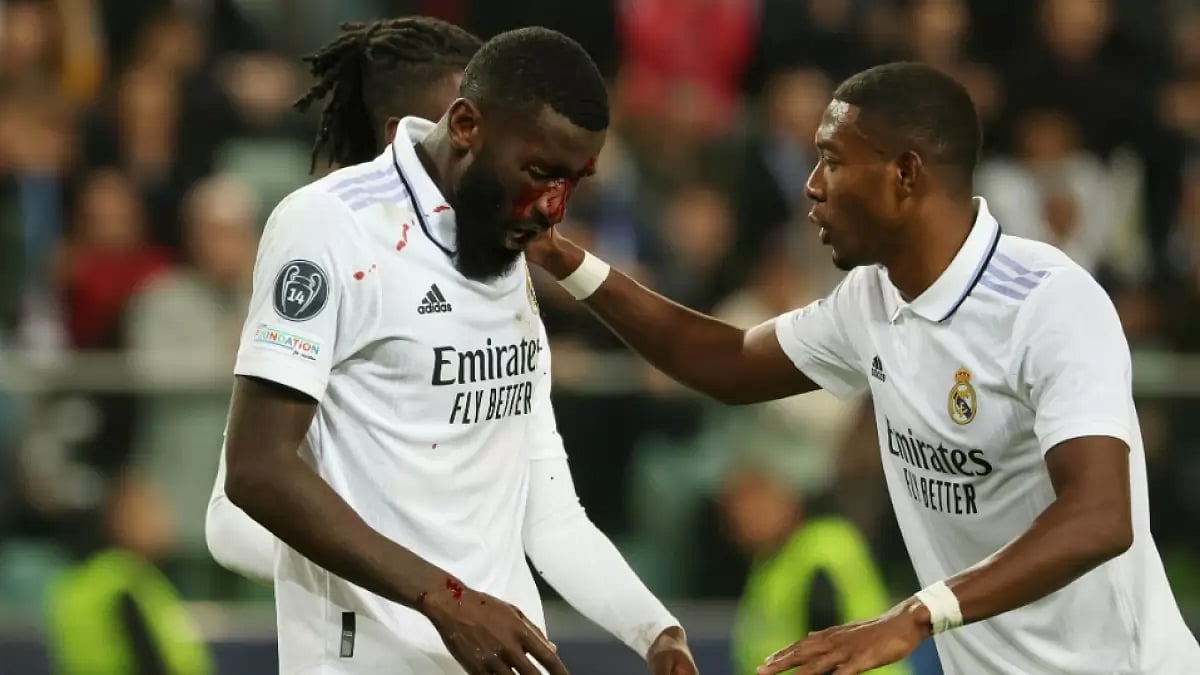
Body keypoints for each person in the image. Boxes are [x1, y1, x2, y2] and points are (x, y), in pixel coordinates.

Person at [527, 61, 1200, 674]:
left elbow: (1102, 513)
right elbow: (724, 361)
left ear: (906, 174)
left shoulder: (1050, 302)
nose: (812, 187)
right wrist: (564, 259)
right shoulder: (871, 300)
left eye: (832, 161)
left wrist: (916, 614)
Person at [220, 23, 698, 675]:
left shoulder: (501, 239)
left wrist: (657, 632)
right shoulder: (328, 227)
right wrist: (443, 596)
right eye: (540, 172)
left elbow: (549, 514)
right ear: (465, 125)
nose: (554, 205)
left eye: (572, 180)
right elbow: (251, 477)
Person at [206, 15, 482, 587]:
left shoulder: (483, 259)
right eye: (465, 122)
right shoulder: (323, 244)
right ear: (399, 134)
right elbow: (232, 518)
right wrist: (409, 589)